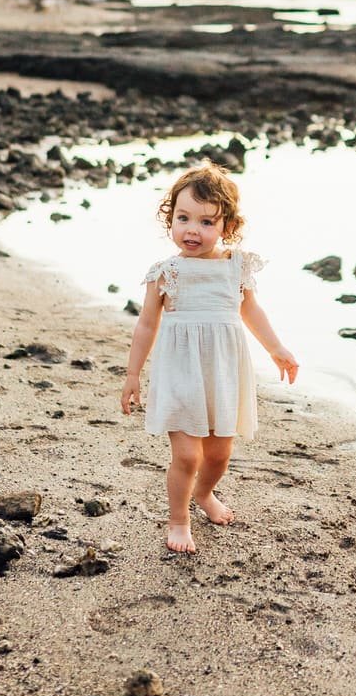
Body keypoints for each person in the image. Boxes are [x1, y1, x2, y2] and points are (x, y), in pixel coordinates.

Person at [120, 163, 299, 554]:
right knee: (186, 454)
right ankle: (179, 519)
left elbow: (251, 312)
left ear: (227, 226)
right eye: (183, 218)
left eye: (205, 222)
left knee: (219, 454)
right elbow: (147, 326)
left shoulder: (236, 266)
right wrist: (133, 373)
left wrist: (277, 348)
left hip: (223, 373)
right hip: (181, 372)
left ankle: (205, 493)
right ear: (170, 218)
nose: (192, 230)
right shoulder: (165, 273)